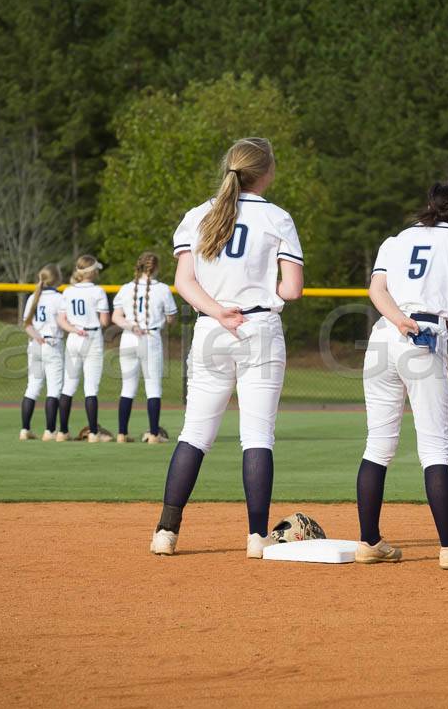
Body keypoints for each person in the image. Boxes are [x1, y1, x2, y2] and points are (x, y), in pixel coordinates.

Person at [150, 137, 304, 558]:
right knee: (257, 436)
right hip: (259, 327)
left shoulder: (200, 214)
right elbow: (292, 290)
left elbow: (184, 283)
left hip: (211, 328)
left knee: (194, 434)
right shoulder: (277, 217)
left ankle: (166, 531)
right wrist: (259, 292)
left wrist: (218, 311)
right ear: (267, 172)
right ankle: (257, 537)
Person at [353, 180, 448, 570]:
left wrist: (398, 320)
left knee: (377, 445)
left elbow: (377, 291)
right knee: (434, 448)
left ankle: (369, 542)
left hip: (382, 336)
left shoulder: (396, 239)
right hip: (423, 338)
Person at [112, 252, 178, 444]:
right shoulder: (163, 289)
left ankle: (122, 433)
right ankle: (154, 434)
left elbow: (116, 317)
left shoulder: (125, 288)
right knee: (153, 387)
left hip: (129, 337)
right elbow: (171, 318)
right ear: (156, 268)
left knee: (128, 388)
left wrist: (132, 325)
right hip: (151, 337)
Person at [56, 255, 112, 443]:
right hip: (92, 337)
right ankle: (94, 433)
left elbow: (61, 320)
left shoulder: (68, 291)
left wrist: (74, 329)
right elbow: (104, 321)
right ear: (93, 271)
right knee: (91, 388)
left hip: (73, 337)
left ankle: (62, 431)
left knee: (68, 385)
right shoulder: (98, 291)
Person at [19, 264, 66, 442]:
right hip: (52, 344)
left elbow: (27, 324)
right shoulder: (59, 298)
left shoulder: (33, 297)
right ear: (57, 279)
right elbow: (63, 322)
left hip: (35, 344)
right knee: (54, 389)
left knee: (33, 387)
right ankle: (50, 430)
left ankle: (25, 429)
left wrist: (37, 337)